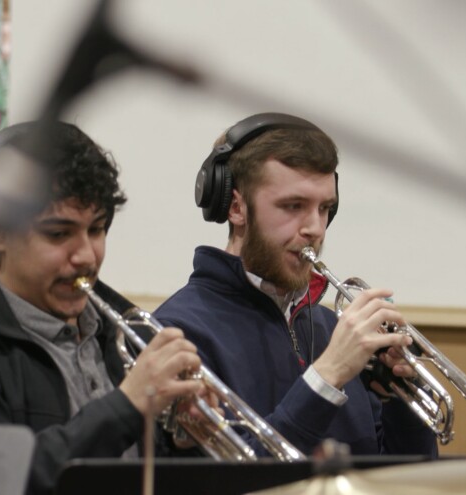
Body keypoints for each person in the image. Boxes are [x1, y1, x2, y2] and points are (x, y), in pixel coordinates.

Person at [0, 121, 204, 494]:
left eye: (97, 229)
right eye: (58, 233)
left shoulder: (131, 336)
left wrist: (187, 439)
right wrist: (125, 408)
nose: (87, 255)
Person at [153, 112, 438, 457]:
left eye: (325, 209)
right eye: (293, 206)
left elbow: (395, 479)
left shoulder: (331, 327)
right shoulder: (177, 334)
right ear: (235, 208)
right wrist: (327, 375)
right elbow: (224, 480)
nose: (315, 228)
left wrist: (403, 401)